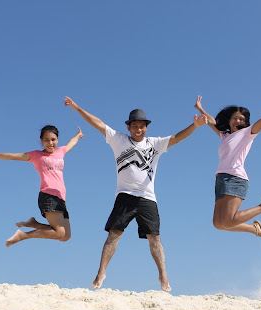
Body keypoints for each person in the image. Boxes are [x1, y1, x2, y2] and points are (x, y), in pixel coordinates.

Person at [64, 96, 207, 292]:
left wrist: (195, 126)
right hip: (125, 195)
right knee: (114, 234)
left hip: (147, 197)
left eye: (142, 126)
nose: (138, 130)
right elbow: (97, 123)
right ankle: (101, 273)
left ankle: (163, 276)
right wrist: (77, 108)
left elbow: (176, 138)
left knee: (154, 238)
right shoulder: (118, 139)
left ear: (146, 127)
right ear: (129, 127)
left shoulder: (154, 144)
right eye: (135, 126)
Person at [194, 90, 261, 242]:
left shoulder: (247, 133)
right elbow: (212, 121)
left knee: (228, 221)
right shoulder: (225, 135)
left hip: (235, 178)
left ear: (245, 122)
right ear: (229, 120)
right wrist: (200, 109)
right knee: (218, 224)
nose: (237, 121)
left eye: (241, 119)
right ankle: (254, 229)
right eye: (235, 118)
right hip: (221, 179)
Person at [0, 125, 84, 247]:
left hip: (61, 198)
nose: (50, 143)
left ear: (57, 140)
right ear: (41, 141)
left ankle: (35, 224)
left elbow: (71, 143)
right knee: (60, 233)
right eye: (46, 140)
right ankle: (23, 235)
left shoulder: (61, 152)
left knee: (66, 236)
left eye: (53, 139)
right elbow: (14, 156)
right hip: (48, 195)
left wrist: (78, 136)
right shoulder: (37, 155)